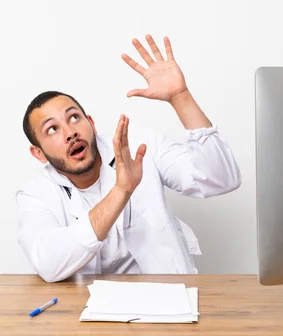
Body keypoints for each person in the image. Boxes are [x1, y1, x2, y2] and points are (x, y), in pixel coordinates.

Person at [16, 34, 241, 282]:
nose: (70, 132)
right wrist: (122, 190)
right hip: (84, 312)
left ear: (90, 123)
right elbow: (49, 263)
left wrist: (180, 97)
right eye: (52, 129)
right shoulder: (36, 194)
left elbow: (221, 178)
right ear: (38, 153)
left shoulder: (141, 146)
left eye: (73, 117)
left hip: (168, 297)